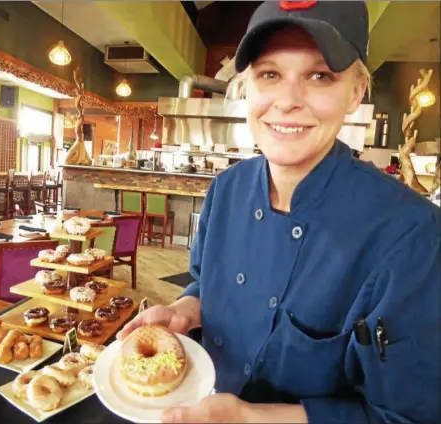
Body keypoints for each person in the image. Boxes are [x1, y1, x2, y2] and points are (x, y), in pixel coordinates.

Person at [117, 1, 441, 423]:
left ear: (356, 92)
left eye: (319, 75)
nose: (288, 101)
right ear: (247, 86)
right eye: (270, 74)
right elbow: (203, 283)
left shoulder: (411, 234)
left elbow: (406, 416)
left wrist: (253, 418)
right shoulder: (226, 189)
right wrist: (185, 311)